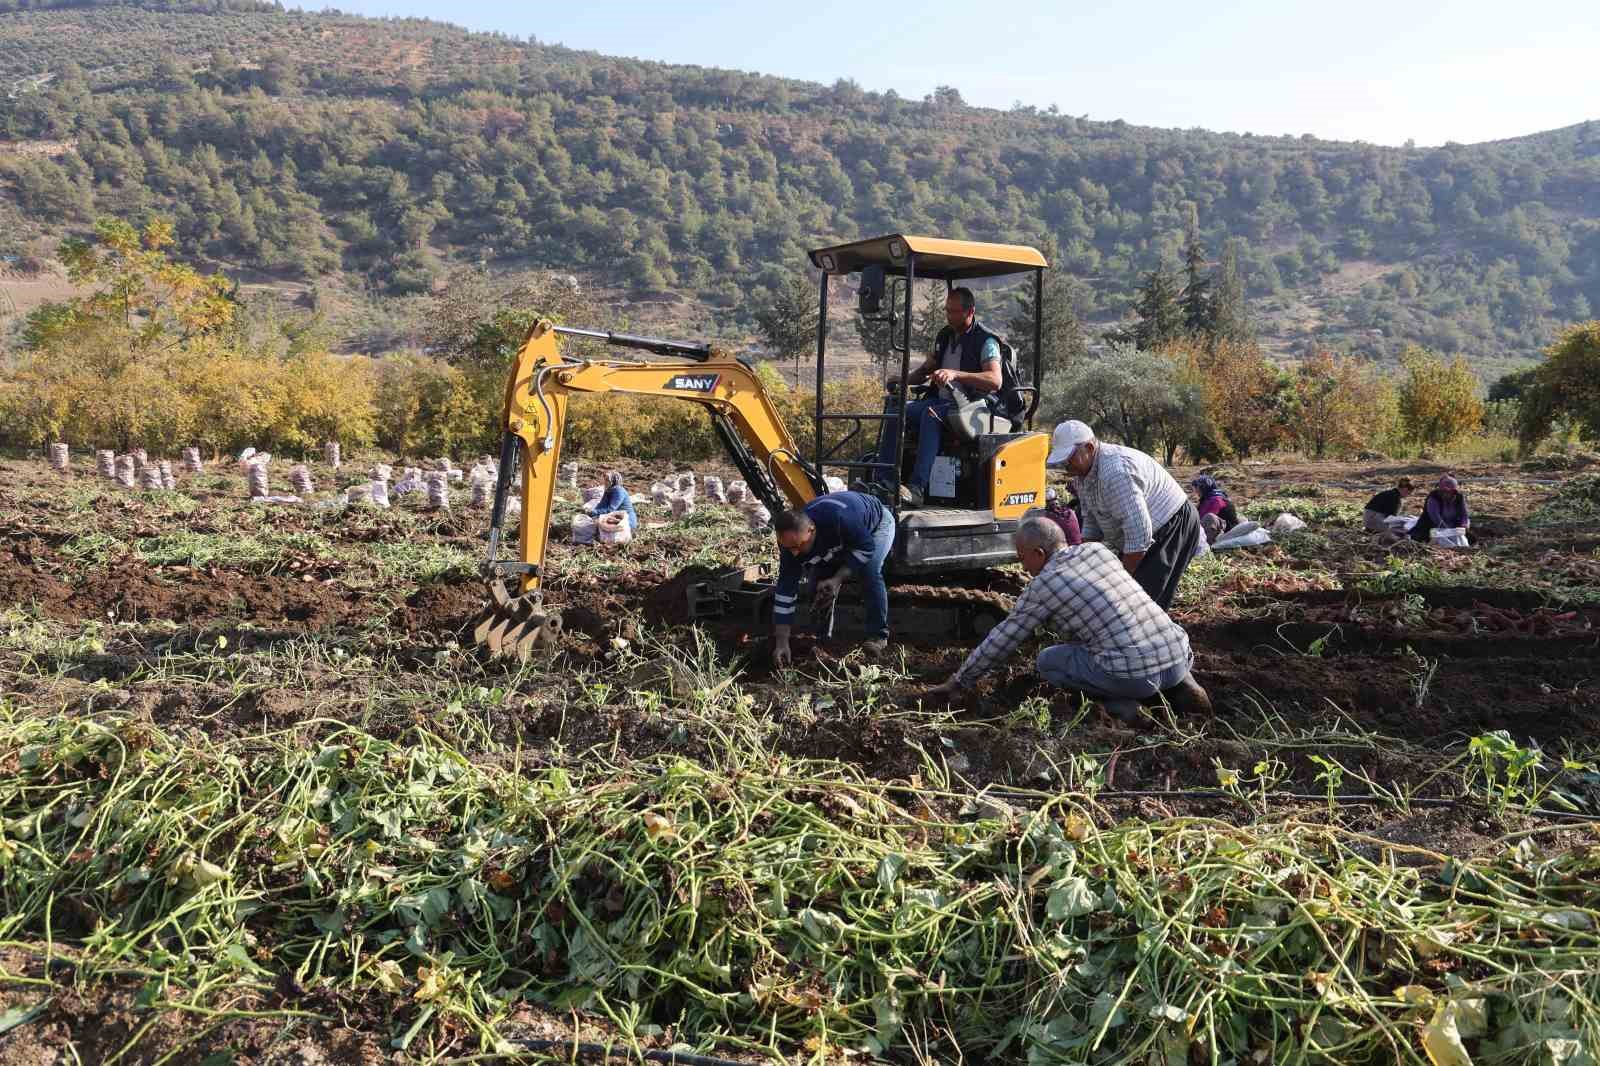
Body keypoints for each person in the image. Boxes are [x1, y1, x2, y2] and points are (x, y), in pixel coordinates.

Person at [926, 517, 1210, 721]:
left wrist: (959, 682)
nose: (1022, 566)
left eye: (1022, 558)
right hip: (1178, 655)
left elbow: (1003, 638)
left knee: (1048, 661)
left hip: (1133, 676)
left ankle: (1122, 706)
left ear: (1039, 553)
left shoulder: (1044, 584)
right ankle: (1182, 685)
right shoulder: (1098, 551)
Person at [874, 287, 1016, 506]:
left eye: (954, 312)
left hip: (973, 406)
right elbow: (925, 371)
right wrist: (903, 380)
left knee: (932, 415)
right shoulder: (945, 336)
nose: (949, 316)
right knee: (896, 411)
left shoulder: (986, 341)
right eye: (947, 311)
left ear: (970, 311)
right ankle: (884, 482)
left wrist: (956, 374)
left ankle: (917, 488)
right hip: (941, 402)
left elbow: (995, 380)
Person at [1046, 420, 1200, 611]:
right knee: (1123, 599)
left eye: (1069, 458)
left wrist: (1122, 582)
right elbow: (1091, 522)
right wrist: (1081, 561)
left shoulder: (1116, 473)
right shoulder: (1083, 476)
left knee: (1140, 603)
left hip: (1171, 524)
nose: (1066, 465)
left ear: (1089, 447)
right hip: (1142, 532)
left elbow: (1139, 535)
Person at [772, 490, 897, 665]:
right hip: (837, 539)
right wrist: (781, 641)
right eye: (789, 547)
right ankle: (822, 639)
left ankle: (878, 636)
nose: (794, 553)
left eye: (798, 546)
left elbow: (866, 548)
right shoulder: (791, 544)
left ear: (811, 530)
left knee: (869, 570)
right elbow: (785, 590)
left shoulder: (841, 519)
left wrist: (838, 578)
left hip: (876, 525)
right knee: (820, 584)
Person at [1410, 474, 1471, 543]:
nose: (1445, 494)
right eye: (1443, 491)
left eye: (1448, 491)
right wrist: (1449, 532)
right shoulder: (1433, 498)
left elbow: (1464, 514)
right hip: (1433, 528)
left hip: (1453, 527)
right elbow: (1436, 519)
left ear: (1454, 492)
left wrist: (1464, 525)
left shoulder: (1459, 497)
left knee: (1469, 539)